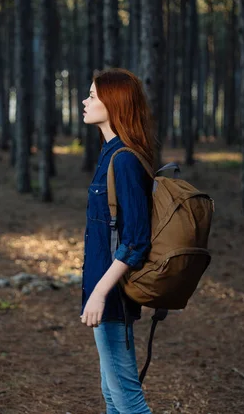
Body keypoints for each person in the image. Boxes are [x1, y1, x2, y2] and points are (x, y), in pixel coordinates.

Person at [80, 68, 154, 414]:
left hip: (112, 295)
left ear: (114, 104)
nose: (85, 101)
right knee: (112, 395)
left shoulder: (123, 160)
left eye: (93, 96)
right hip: (105, 291)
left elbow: (137, 241)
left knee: (128, 401)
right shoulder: (109, 155)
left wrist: (99, 292)